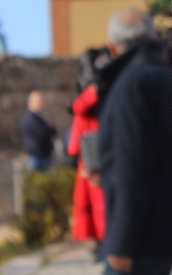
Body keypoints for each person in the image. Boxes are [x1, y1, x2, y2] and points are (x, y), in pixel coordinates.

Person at [97, 8, 172, 275]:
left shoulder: (132, 84)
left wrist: (121, 243)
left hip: (140, 240)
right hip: (160, 230)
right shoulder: (167, 77)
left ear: (112, 46)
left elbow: (132, 169)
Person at [69, 46, 111, 254]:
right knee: (90, 200)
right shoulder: (88, 91)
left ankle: (104, 239)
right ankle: (97, 240)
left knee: (99, 200)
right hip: (90, 146)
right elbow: (78, 108)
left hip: (100, 142)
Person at [20, 90, 58, 172]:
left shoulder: (38, 117)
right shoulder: (30, 117)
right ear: (31, 102)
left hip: (42, 154)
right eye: (39, 101)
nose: (41, 103)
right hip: (37, 155)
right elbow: (42, 131)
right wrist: (50, 130)